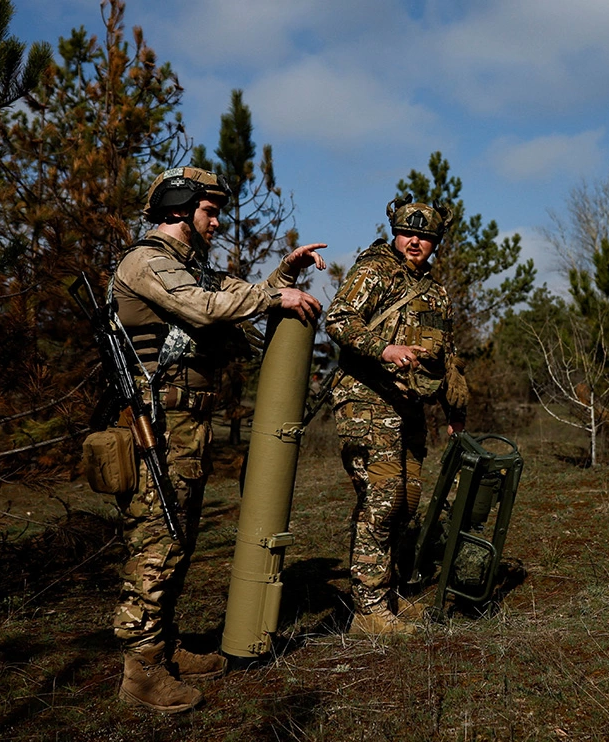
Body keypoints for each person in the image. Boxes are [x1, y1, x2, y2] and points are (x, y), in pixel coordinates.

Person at [109, 166, 324, 712]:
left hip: (186, 427)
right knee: (155, 545)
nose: (217, 219)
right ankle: (139, 670)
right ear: (180, 209)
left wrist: (282, 275)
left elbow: (235, 292)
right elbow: (204, 307)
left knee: (177, 539)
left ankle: (164, 647)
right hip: (156, 426)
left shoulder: (191, 266)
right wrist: (272, 298)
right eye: (210, 209)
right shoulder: (147, 262)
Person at [325, 195, 470, 636]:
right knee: (382, 496)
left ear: (435, 243)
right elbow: (338, 319)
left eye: (425, 237)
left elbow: (448, 356)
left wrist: (454, 408)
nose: (415, 242)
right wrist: (384, 348)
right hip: (366, 399)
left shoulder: (436, 292)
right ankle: (367, 610)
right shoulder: (374, 271)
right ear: (395, 233)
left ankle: (386, 594)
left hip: (408, 407)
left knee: (405, 502)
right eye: (408, 233)